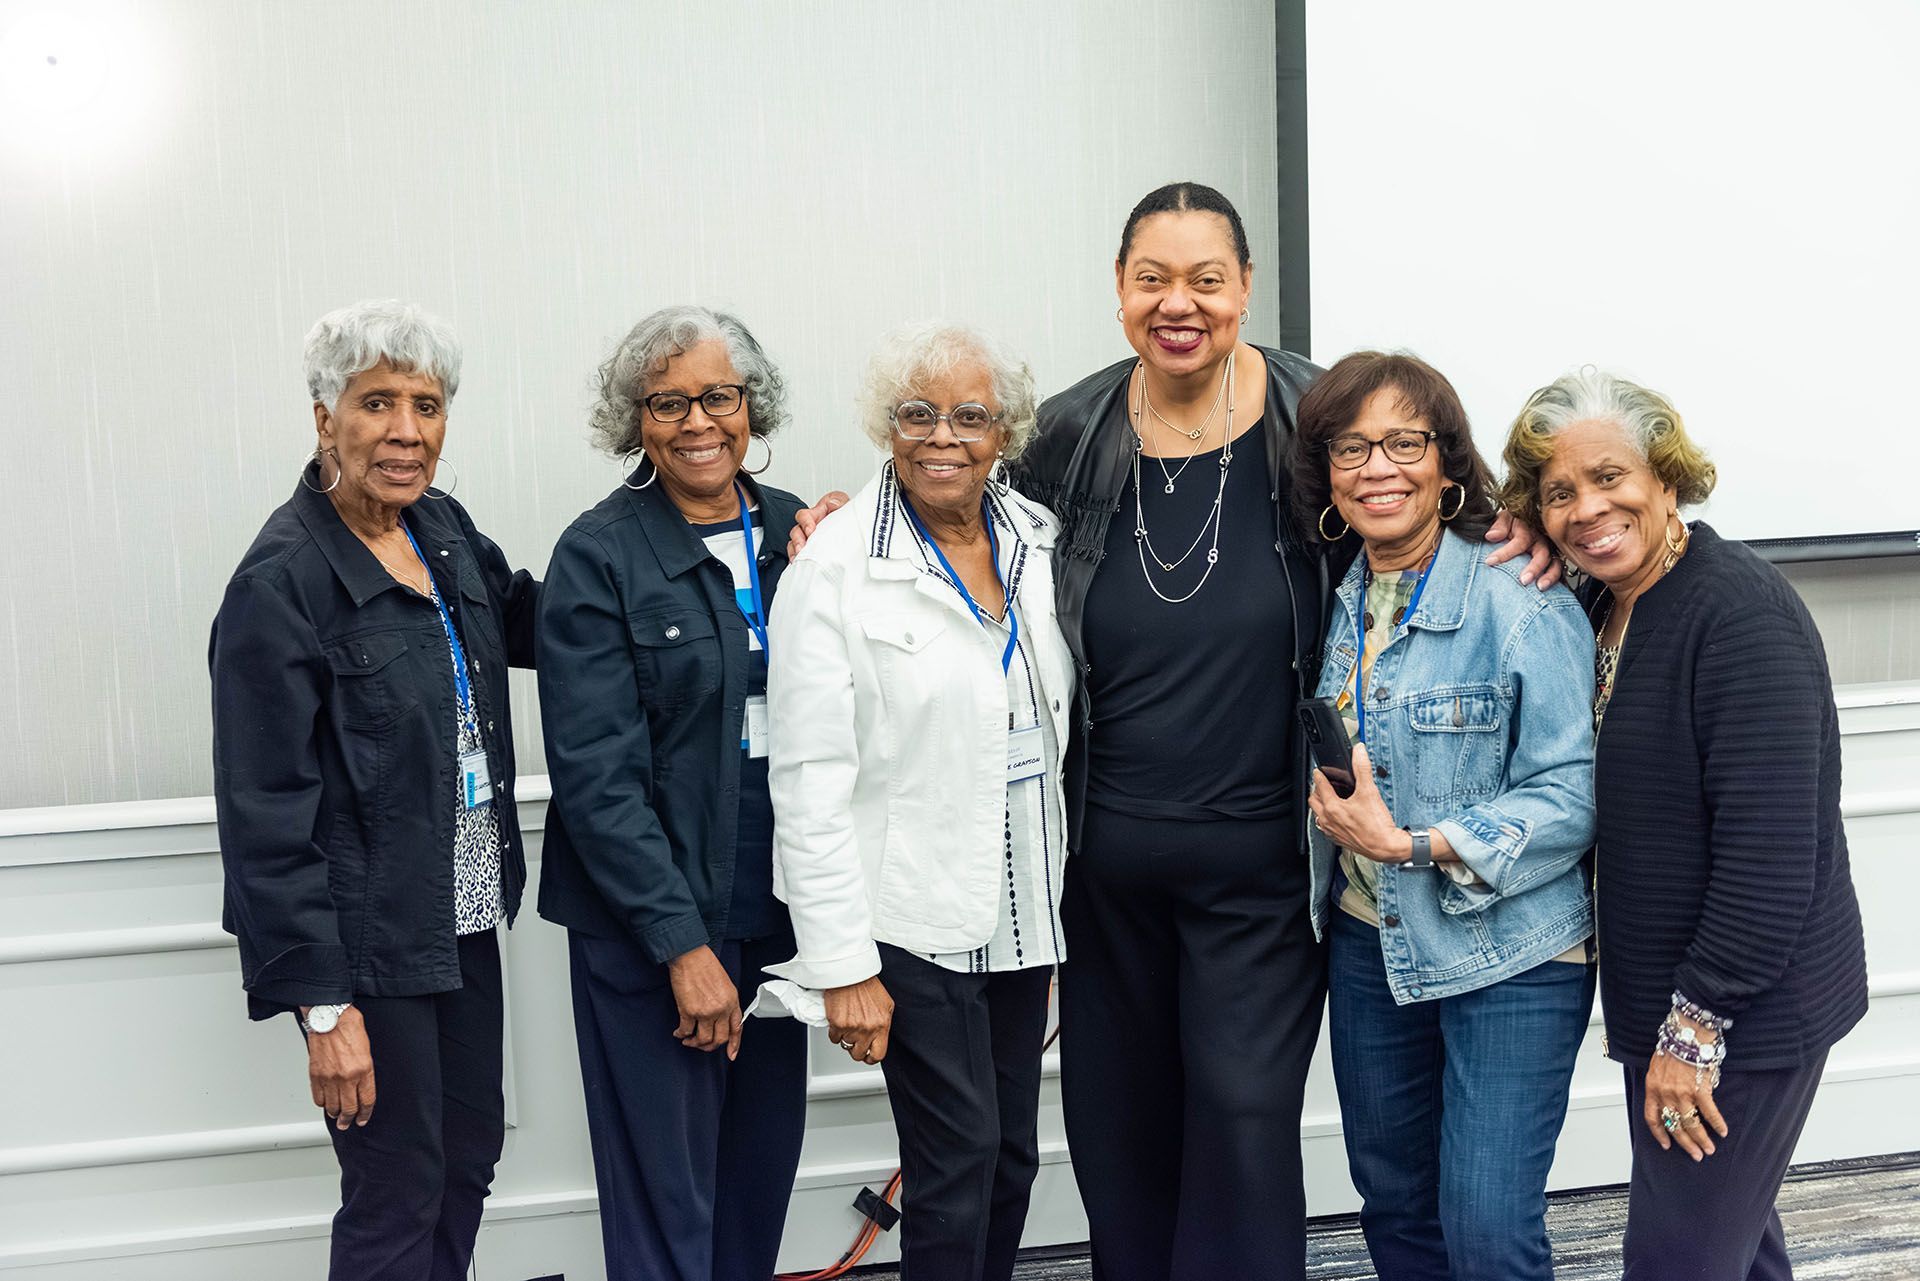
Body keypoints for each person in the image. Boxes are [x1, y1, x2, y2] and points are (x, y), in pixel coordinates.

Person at [783, 182, 1558, 1279]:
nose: (1178, 303)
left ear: (1246, 288)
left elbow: (1413, 489)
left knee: (1243, 1129)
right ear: (1119, 289)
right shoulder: (1067, 433)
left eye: (1206, 279)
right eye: (1153, 279)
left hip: (1262, 871)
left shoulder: (1315, 413)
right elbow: (951, 504)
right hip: (1102, 875)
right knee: (1121, 1138)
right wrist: (840, 514)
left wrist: (1511, 521)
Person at [1501, 369, 1868, 1281]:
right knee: (1732, 1249)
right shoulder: (1603, 599)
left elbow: (1768, 856)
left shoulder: (1739, 615)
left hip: (1742, 1016)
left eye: (1609, 477)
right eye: (1558, 493)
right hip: (1671, 1000)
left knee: (1677, 1261)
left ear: (1666, 478)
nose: (1588, 509)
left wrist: (1693, 1032)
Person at [209, 299, 537, 1281]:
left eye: (426, 406)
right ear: (326, 418)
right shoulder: (281, 582)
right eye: (377, 403)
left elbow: (538, 623)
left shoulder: (442, 528)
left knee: (466, 1159)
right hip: (368, 944)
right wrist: (323, 1008)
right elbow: (264, 816)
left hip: (462, 914)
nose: (406, 431)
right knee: (397, 1188)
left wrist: (686, 550)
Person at [763, 322, 1075, 1281]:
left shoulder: (1035, 536)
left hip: (1023, 909)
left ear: (1004, 433)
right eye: (917, 413)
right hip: (909, 915)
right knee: (957, 1159)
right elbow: (807, 779)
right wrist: (842, 966)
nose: (944, 436)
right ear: (885, 426)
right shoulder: (833, 565)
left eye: (970, 416)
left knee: (1010, 1157)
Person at [1294, 351, 1597, 1280]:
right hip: (1369, 941)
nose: (1377, 468)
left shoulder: (1521, 599)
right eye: (1352, 448)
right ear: (1327, 473)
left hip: (1512, 954)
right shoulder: (1336, 593)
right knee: (1395, 1207)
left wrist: (1413, 845)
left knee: (1486, 1225)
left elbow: (1572, 794)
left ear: (1446, 462)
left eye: (1404, 442)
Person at [536, 306, 810, 1281]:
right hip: (654, 932)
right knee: (667, 1207)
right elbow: (596, 780)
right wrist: (683, 948)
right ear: (637, 421)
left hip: (780, 920)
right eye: (668, 403)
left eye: (718, 397)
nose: (698, 422)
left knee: (755, 1188)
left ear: (752, 405)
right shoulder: (599, 555)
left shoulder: (798, 532)